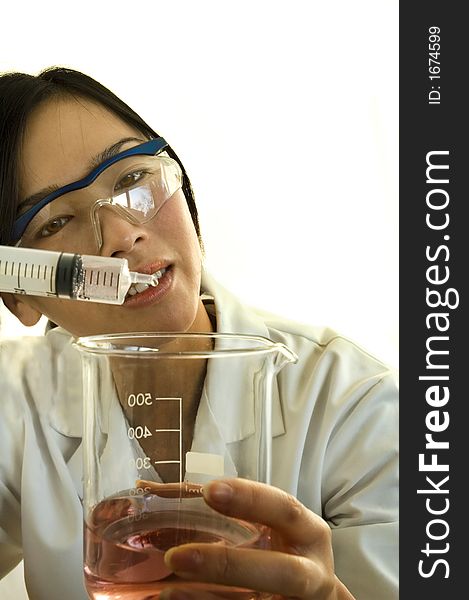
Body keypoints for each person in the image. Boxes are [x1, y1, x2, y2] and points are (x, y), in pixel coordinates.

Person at [0, 67, 398, 600]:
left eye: (130, 178)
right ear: (18, 294)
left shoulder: (355, 405)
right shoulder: (14, 399)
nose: (121, 235)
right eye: (53, 222)